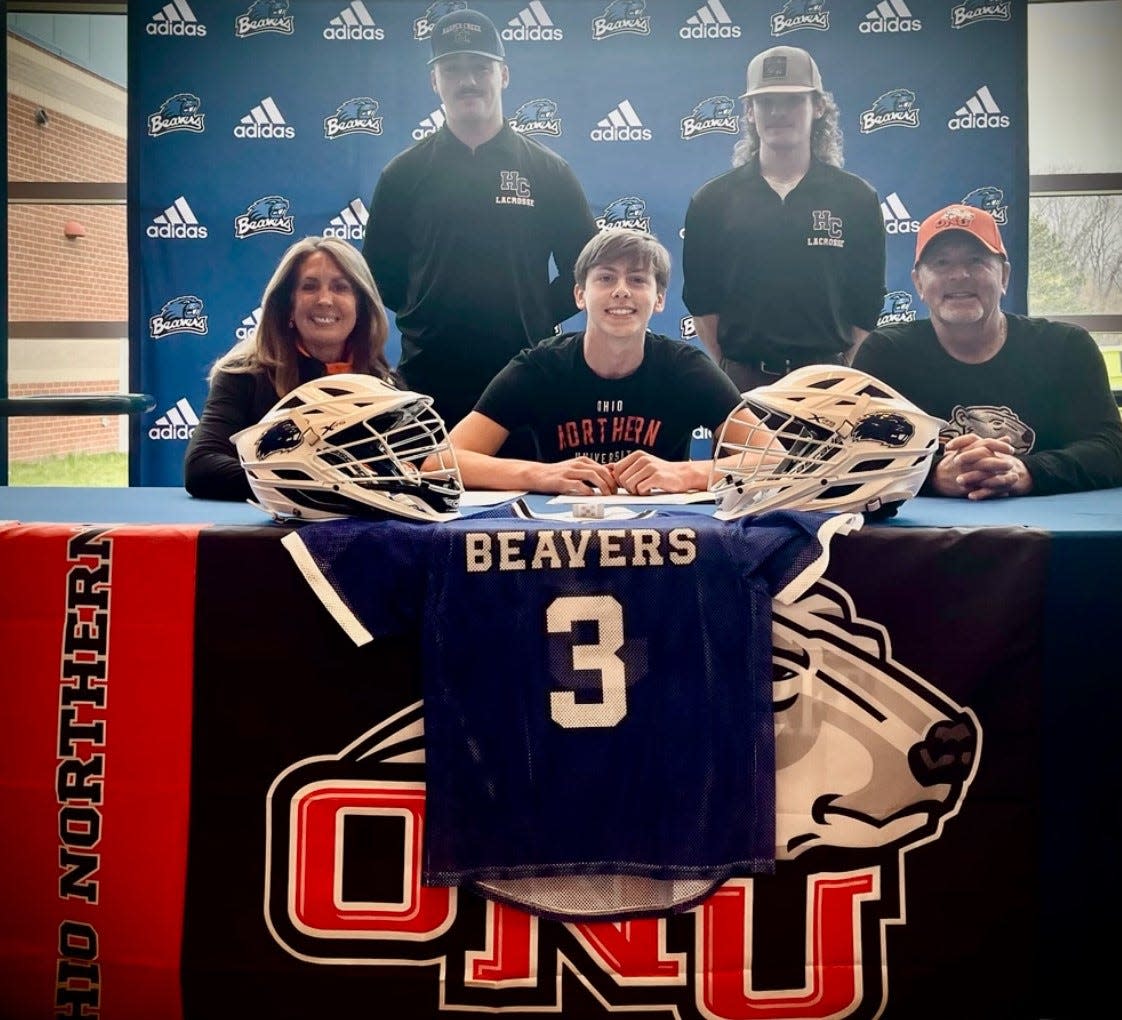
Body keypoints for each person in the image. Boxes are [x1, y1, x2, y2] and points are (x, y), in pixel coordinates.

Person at [362, 7, 598, 446]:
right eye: (452, 69)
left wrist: (534, 313)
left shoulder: (548, 171)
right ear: (435, 81)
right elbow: (377, 277)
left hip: (525, 374)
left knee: (528, 509)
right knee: (427, 506)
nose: (467, 80)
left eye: (480, 67)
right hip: (429, 379)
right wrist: (425, 311)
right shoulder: (403, 175)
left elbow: (587, 271)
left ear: (503, 74)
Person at [443, 228, 747, 496]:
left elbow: (775, 458)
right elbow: (441, 461)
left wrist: (684, 474)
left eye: (638, 280)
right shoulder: (541, 366)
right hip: (559, 540)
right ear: (580, 295)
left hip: (664, 540)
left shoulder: (685, 367)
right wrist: (540, 475)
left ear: (659, 300)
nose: (621, 290)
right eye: (605, 277)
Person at [852, 203, 1122, 498]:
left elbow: (1111, 447)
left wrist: (1027, 471)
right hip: (916, 541)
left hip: (1049, 536)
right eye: (941, 263)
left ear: (1004, 276)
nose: (960, 275)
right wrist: (932, 474)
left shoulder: (1067, 348)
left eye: (977, 260)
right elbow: (854, 450)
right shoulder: (886, 354)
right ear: (918, 282)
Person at [682, 44, 886, 392]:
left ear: (818, 106)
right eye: (765, 101)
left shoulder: (856, 199)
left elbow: (866, 303)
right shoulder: (712, 201)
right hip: (741, 383)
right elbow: (702, 302)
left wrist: (837, 372)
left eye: (793, 100)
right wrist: (731, 368)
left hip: (829, 384)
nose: (778, 111)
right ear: (749, 111)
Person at [184, 235, 393, 501]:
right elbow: (201, 467)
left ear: (361, 307)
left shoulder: (385, 383)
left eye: (341, 287)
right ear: (288, 305)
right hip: (265, 535)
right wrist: (316, 487)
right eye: (309, 287)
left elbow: (417, 469)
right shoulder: (242, 376)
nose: (325, 299)